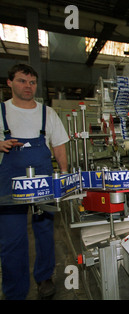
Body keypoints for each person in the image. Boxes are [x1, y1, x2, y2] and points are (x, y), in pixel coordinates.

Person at [0, 64, 69, 299]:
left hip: (42, 180)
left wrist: (63, 174)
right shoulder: (0, 112)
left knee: (44, 231)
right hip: (10, 185)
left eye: (31, 82)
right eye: (21, 81)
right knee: (12, 239)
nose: (27, 86)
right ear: (9, 83)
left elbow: (58, 145)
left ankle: (44, 276)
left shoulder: (47, 113)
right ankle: (15, 291)